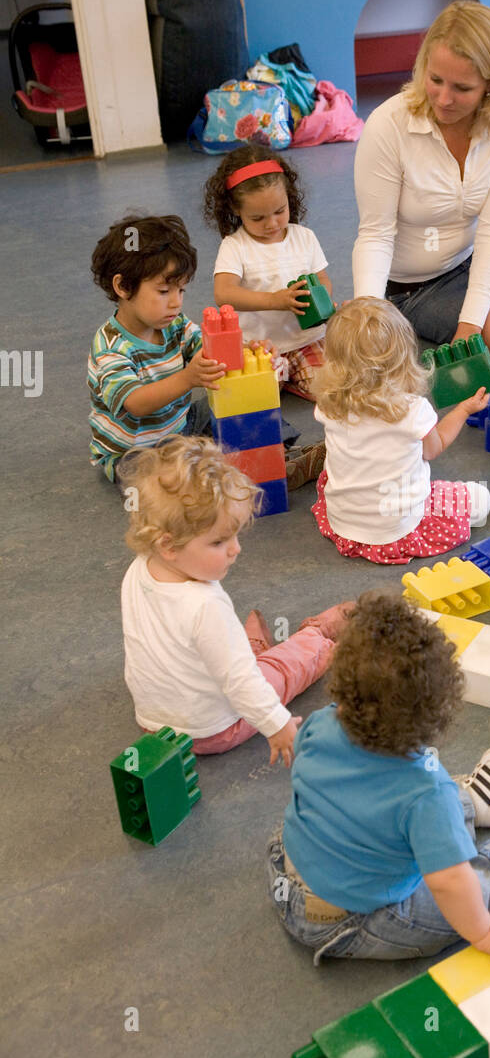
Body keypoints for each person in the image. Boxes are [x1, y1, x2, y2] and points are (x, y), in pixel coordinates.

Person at [266, 590, 490, 965]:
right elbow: (449, 883)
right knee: (468, 889)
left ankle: (478, 803)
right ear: (435, 716)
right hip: (348, 921)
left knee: (413, 810)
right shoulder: (428, 792)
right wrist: (484, 930)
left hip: (286, 872)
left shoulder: (320, 723)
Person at [352, 0, 490, 365]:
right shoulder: (387, 124)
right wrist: (368, 316)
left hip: (485, 249)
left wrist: (470, 323)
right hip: (421, 286)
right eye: (435, 80)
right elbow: (375, 233)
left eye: (462, 88)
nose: (444, 99)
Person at [118, 435, 351, 760]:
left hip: (154, 724)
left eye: (235, 536)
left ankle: (246, 647)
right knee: (282, 671)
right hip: (214, 730)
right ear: (168, 546)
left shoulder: (138, 569)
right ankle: (320, 637)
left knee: (229, 655)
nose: (235, 549)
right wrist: (277, 723)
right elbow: (242, 683)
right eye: (218, 543)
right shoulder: (205, 603)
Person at [310, 296, 490, 563]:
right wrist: (463, 410)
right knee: (479, 498)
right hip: (397, 531)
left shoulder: (328, 404)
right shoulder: (411, 409)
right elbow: (433, 448)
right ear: (403, 357)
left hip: (344, 523)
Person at [88, 215, 222, 482]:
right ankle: (195, 467)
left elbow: (206, 346)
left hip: (181, 426)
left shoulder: (175, 324)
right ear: (123, 286)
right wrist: (188, 378)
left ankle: (279, 455)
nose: (176, 303)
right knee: (155, 479)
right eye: (163, 292)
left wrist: (244, 350)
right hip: (133, 450)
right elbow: (136, 403)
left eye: (181, 291)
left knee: (237, 411)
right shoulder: (110, 347)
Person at [203, 144, 333, 402]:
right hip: (258, 347)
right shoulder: (235, 246)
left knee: (333, 393)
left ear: (289, 197)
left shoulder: (304, 237)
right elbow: (224, 293)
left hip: (307, 340)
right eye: (258, 218)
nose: (272, 223)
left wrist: (323, 301)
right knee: (248, 401)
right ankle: (283, 378)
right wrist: (276, 300)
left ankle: (293, 378)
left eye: (279, 211)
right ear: (235, 209)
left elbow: (323, 280)